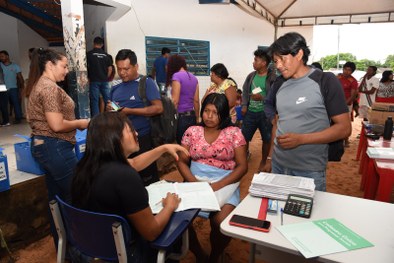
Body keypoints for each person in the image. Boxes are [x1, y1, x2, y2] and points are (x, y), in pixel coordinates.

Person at [71, 111, 186, 262]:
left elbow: (134, 163)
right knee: (176, 223)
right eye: (131, 130)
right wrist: (169, 206)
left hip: (90, 249)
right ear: (115, 138)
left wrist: (163, 148)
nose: (137, 133)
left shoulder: (84, 167)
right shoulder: (124, 176)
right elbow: (151, 232)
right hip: (123, 254)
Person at [264, 32, 351, 191]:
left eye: (283, 59)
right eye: (276, 61)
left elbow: (344, 128)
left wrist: (301, 139)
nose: (278, 65)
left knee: (307, 215)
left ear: (299, 54)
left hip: (309, 170)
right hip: (278, 165)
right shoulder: (279, 84)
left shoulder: (325, 81)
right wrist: (270, 158)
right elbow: (277, 122)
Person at [25, 48, 89, 245]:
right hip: (55, 147)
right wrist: (80, 123)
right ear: (50, 65)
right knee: (76, 196)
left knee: (56, 200)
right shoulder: (50, 88)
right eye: (64, 66)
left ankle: (64, 248)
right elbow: (57, 125)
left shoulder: (38, 85)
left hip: (45, 146)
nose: (67, 70)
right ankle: (82, 251)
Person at [177, 93, 247, 262]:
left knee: (221, 222)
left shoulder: (234, 133)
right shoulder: (192, 131)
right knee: (180, 221)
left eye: (215, 112)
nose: (209, 116)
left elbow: (243, 166)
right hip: (195, 181)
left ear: (223, 114)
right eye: (206, 111)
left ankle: (215, 255)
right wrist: (194, 184)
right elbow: (181, 161)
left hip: (225, 183)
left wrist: (218, 185)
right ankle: (199, 254)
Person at [108, 49, 163, 186]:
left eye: (126, 69)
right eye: (119, 69)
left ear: (136, 66)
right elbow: (114, 108)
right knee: (126, 180)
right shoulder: (116, 87)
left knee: (146, 180)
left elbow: (158, 108)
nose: (122, 73)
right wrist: (112, 109)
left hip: (141, 140)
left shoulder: (146, 83)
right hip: (121, 142)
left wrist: (130, 111)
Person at [241, 49, 276, 172]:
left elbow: (275, 96)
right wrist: (245, 105)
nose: (253, 62)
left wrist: (262, 98)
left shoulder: (272, 77)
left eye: (256, 60)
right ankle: (242, 160)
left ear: (264, 62)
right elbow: (245, 91)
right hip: (251, 112)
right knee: (243, 138)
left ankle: (263, 162)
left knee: (267, 139)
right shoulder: (251, 76)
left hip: (265, 114)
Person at [166, 54, 200, 144]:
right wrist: (197, 118)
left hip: (181, 118)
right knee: (190, 144)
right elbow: (196, 100)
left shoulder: (176, 76)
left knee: (181, 145)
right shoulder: (194, 78)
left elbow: (175, 101)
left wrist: (169, 119)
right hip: (192, 117)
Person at [87, 36, 113, 117]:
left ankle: (96, 118)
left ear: (94, 44)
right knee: (109, 100)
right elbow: (110, 69)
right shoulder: (106, 55)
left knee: (95, 101)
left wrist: (88, 78)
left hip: (94, 81)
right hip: (104, 80)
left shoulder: (89, 54)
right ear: (102, 45)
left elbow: (85, 67)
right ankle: (112, 116)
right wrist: (106, 77)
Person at [0, 50, 24, 125]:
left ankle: (18, 118)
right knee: (3, 105)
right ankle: (5, 120)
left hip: (13, 88)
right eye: (0, 57)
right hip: (2, 88)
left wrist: (22, 88)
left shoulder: (15, 66)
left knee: (16, 103)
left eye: (2, 56)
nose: (1, 58)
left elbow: (20, 78)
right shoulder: (0, 65)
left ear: (7, 56)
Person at [337, 61, 358, 147]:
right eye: (345, 69)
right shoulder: (338, 77)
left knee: (346, 123)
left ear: (352, 71)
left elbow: (353, 96)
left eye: (349, 70)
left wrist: (344, 104)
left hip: (347, 104)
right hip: (336, 102)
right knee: (335, 122)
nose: (346, 71)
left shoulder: (353, 81)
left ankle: (346, 140)